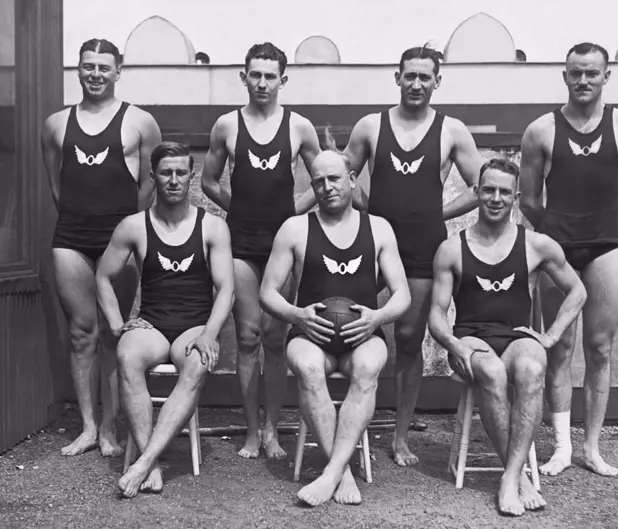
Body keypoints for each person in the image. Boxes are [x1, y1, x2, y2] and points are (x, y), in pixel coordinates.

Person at [343, 44, 485, 466]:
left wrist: (436, 212)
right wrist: (368, 211)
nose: (417, 83)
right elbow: (344, 176)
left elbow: (484, 188)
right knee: (350, 327)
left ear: (437, 81)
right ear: (398, 77)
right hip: (371, 244)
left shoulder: (452, 131)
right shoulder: (370, 125)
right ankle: (350, 423)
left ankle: (400, 435)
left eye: (426, 77)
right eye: (410, 75)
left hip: (424, 248)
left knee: (408, 340)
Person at [519, 42, 618, 477]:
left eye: (592, 73)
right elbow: (529, 200)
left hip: (607, 246)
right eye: (575, 73)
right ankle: (560, 446)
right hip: (557, 247)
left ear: (606, 76)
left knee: (598, 347)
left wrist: (607, 227)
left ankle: (592, 447)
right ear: (564, 75)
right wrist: (559, 229)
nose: (583, 81)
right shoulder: (541, 130)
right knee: (559, 346)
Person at [429, 159, 587, 516]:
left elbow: (577, 291)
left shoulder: (537, 245)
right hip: (470, 338)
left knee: (533, 367)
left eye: (504, 191)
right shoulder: (451, 249)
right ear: (476, 193)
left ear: (515, 197)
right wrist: (454, 346)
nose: (495, 198)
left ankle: (511, 477)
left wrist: (551, 336)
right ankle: (520, 480)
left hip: (517, 337)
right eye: (488, 190)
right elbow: (436, 315)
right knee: (491, 371)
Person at [259, 134, 411, 507]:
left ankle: (330, 474)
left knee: (368, 367)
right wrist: (298, 315)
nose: (326, 188)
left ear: (352, 178)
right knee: (309, 369)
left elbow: (402, 294)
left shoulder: (378, 228)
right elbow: (267, 292)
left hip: (364, 333)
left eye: (334, 179)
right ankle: (340, 473)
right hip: (310, 334)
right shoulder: (294, 229)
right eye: (318, 182)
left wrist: (377, 317)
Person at [41, 38, 162, 457]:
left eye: (103, 67)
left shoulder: (140, 122)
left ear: (118, 71)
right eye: (88, 66)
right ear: (77, 69)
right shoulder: (56, 124)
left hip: (119, 241)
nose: (95, 74)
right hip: (71, 238)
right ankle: (88, 427)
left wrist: (127, 231)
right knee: (80, 333)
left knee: (113, 332)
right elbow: (58, 186)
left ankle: (110, 429)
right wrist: (81, 218)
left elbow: (149, 185)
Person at [201, 42, 321, 460]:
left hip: (283, 245)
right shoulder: (227, 126)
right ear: (244, 77)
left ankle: (272, 430)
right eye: (256, 74)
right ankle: (252, 432)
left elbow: (322, 178)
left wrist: (293, 214)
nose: (263, 82)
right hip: (242, 244)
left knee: (275, 336)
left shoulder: (299, 127)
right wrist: (242, 210)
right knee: (249, 337)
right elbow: (209, 180)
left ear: (283, 80)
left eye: (271, 76)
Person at [96, 142, 235, 498]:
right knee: (127, 355)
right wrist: (116, 324)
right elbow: (103, 276)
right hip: (153, 325)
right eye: (165, 172)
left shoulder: (212, 228)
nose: (173, 180)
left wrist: (210, 333)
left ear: (192, 177)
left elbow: (227, 290)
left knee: (197, 363)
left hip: (194, 326)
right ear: (154, 176)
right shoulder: (134, 226)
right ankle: (151, 462)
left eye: (180, 173)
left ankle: (143, 463)